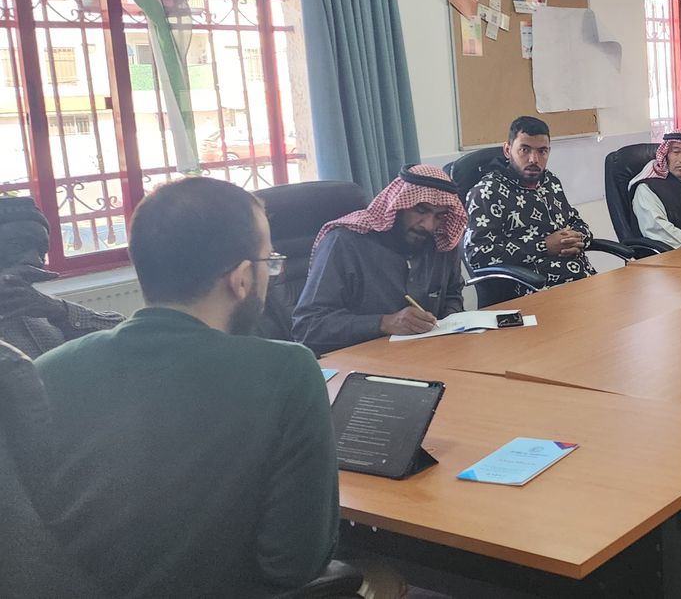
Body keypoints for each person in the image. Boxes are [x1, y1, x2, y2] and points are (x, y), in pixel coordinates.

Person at [35, 177, 338, 598]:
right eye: (269, 261)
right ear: (242, 278)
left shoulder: (45, 372)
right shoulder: (288, 371)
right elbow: (294, 562)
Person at [293, 165, 467, 354]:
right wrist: (383, 323)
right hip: (358, 361)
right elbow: (308, 327)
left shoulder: (441, 242)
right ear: (398, 204)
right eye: (420, 210)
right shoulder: (344, 243)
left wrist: (449, 322)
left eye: (439, 216)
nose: (429, 225)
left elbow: (452, 294)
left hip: (429, 355)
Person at [464, 116, 596, 293]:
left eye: (542, 151)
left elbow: (577, 222)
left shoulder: (550, 182)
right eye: (524, 150)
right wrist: (543, 246)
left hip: (583, 279)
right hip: (536, 290)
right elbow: (478, 256)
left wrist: (576, 238)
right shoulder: (487, 192)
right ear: (507, 150)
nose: (534, 159)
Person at [0, 197, 122, 358]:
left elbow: (127, 335)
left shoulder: (44, 312)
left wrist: (60, 311)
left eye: (42, 251)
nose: (36, 260)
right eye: (17, 246)